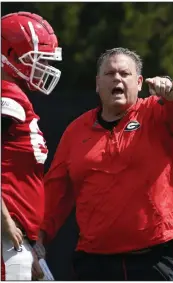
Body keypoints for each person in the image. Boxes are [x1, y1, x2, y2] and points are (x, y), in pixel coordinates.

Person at [36, 47, 173, 280]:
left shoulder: (155, 113)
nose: (117, 78)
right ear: (98, 83)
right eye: (109, 74)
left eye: (124, 73)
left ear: (139, 82)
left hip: (155, 256)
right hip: (95, 261)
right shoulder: (76, 130)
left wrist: (172, 90)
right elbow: (55, 191)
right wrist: (37, 238)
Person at [1, 11, 62, 280]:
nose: (43, 66)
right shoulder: (7, 92)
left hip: (19, 237)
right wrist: (4, 220)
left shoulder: (16, 96)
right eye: (37, 59)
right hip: (7, 235)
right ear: (11, 55)